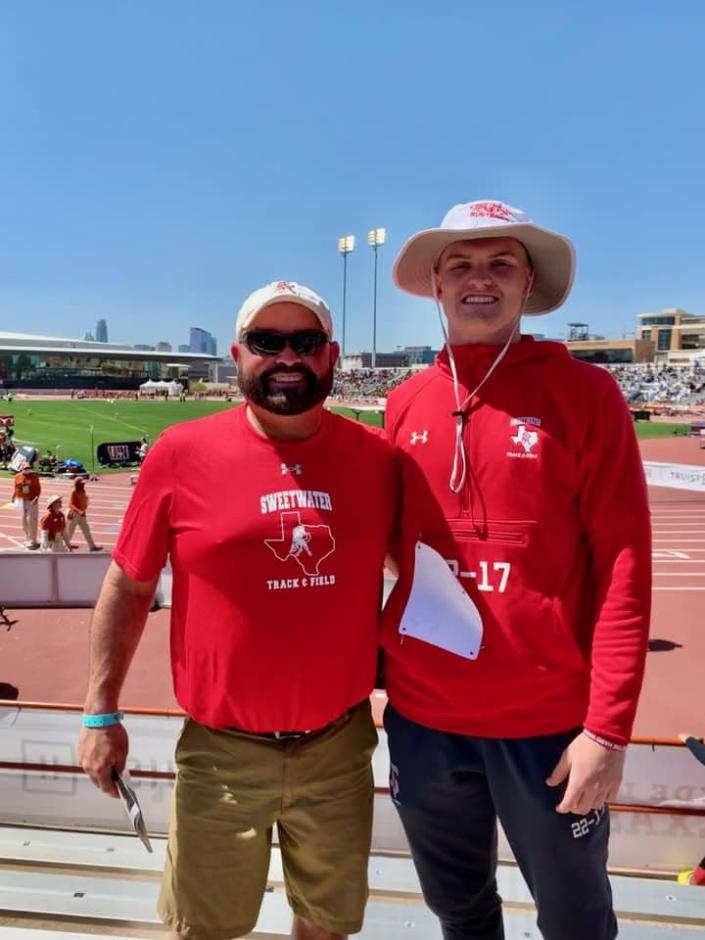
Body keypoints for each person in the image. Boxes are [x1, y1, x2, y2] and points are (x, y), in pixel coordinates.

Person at [78, 280, 398, 940]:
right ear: (237, 354)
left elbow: (429, 578)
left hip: (337, 750)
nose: (287, 356)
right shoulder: (180, 453)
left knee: (327, 925)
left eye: (304, 342)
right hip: (222, 752)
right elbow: (129, 586)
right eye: (266, 341)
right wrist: (100, 711)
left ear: (331, 356)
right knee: (206, 929)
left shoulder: (376, 461)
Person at [381, 200, 652, 940]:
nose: (479, 280)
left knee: (574, 920)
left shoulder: (586, 395)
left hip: (547, 729)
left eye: (499, 263)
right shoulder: (403, 403)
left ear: (527, 283)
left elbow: (624, 565)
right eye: (460, 265)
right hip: (423, 721)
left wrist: (608, 730)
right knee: (459, 912)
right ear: (434, 284)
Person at [12, 451, 41, 550]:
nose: (27, 470)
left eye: (28, 468)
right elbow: (16, 488)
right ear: (22, 469)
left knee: (32, 520)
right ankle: (28, 538)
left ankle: (33, 539)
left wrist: (36, 497)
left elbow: (38, 489)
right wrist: (13, 497)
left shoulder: (34, 477)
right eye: (25, 468)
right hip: (21, 500)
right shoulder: (18, 476)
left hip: (31, 500)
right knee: (24, 520)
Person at [66, 477, 102, 551]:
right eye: (82, 484)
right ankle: (65, 546)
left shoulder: (82, 491)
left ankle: (92, 546)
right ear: (77, 484)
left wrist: (84, 509)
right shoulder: (74, 491)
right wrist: (80, 511)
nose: (83, 485)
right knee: (70, 531)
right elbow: (71, 504)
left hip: (81, 514)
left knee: (86, 530)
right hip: (74, 514)